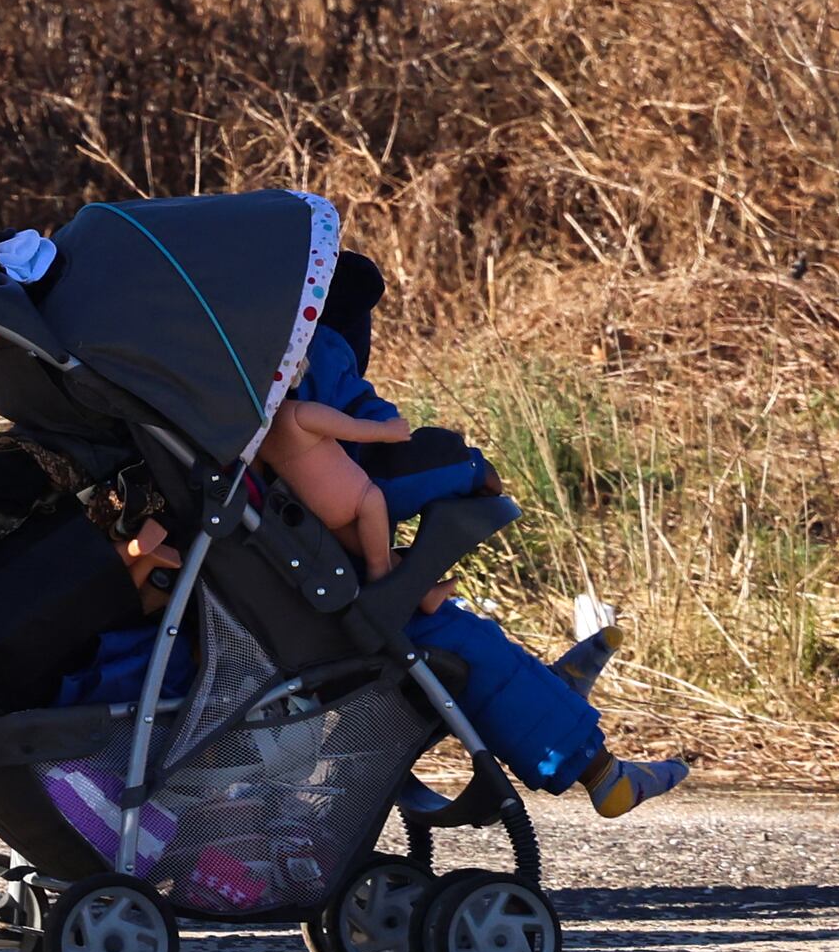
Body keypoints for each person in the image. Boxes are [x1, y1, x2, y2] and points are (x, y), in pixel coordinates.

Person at [263, 272, 682, 817]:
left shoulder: (238, 405)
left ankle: (555, 688)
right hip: (329, 600)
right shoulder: (314, 365)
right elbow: (383, 460)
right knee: (458, 644)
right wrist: (465, 468)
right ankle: (598, 770)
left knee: (454, 620)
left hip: (289, 577)